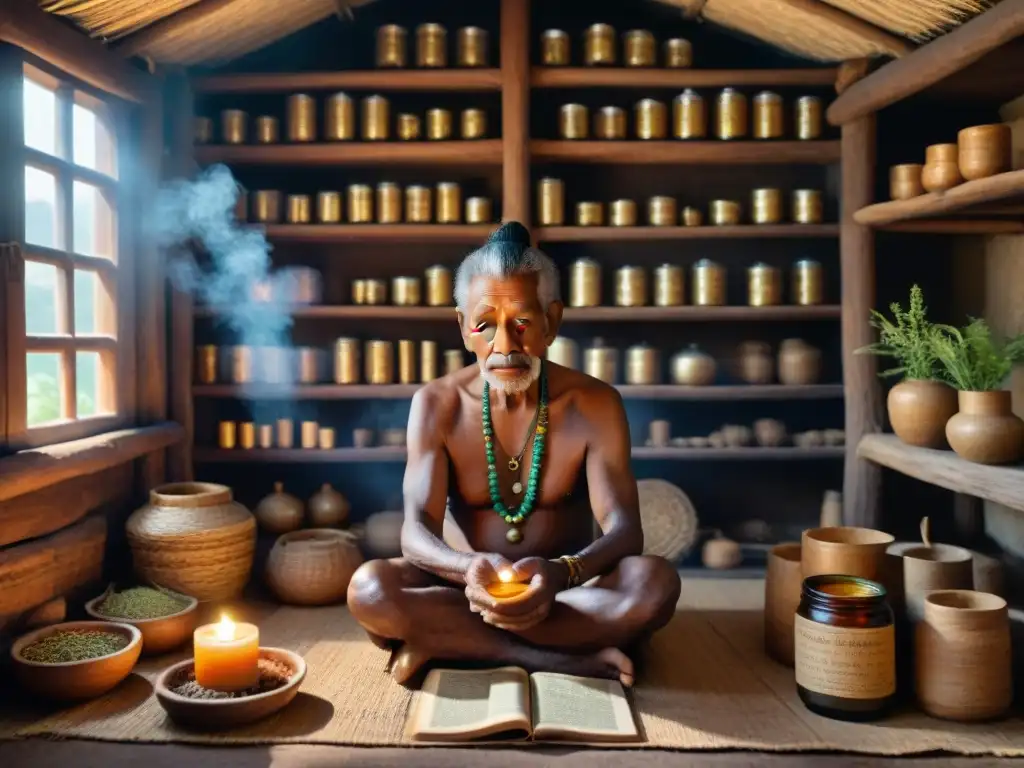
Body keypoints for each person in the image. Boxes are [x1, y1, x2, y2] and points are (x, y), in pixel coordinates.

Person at [348, 221, 681, 687]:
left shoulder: (596, 403)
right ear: (463, 328)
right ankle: (560, 659)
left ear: (553, 322)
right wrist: (467, 569)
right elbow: (414, 532)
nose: (505, 346)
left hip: (566, 590)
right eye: (485, 325)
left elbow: (625, 532)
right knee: (369, 589)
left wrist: (562, 573)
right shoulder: (435, 403)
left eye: (522, 323)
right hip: (465, 591)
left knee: (655, 584)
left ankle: (446, 642)